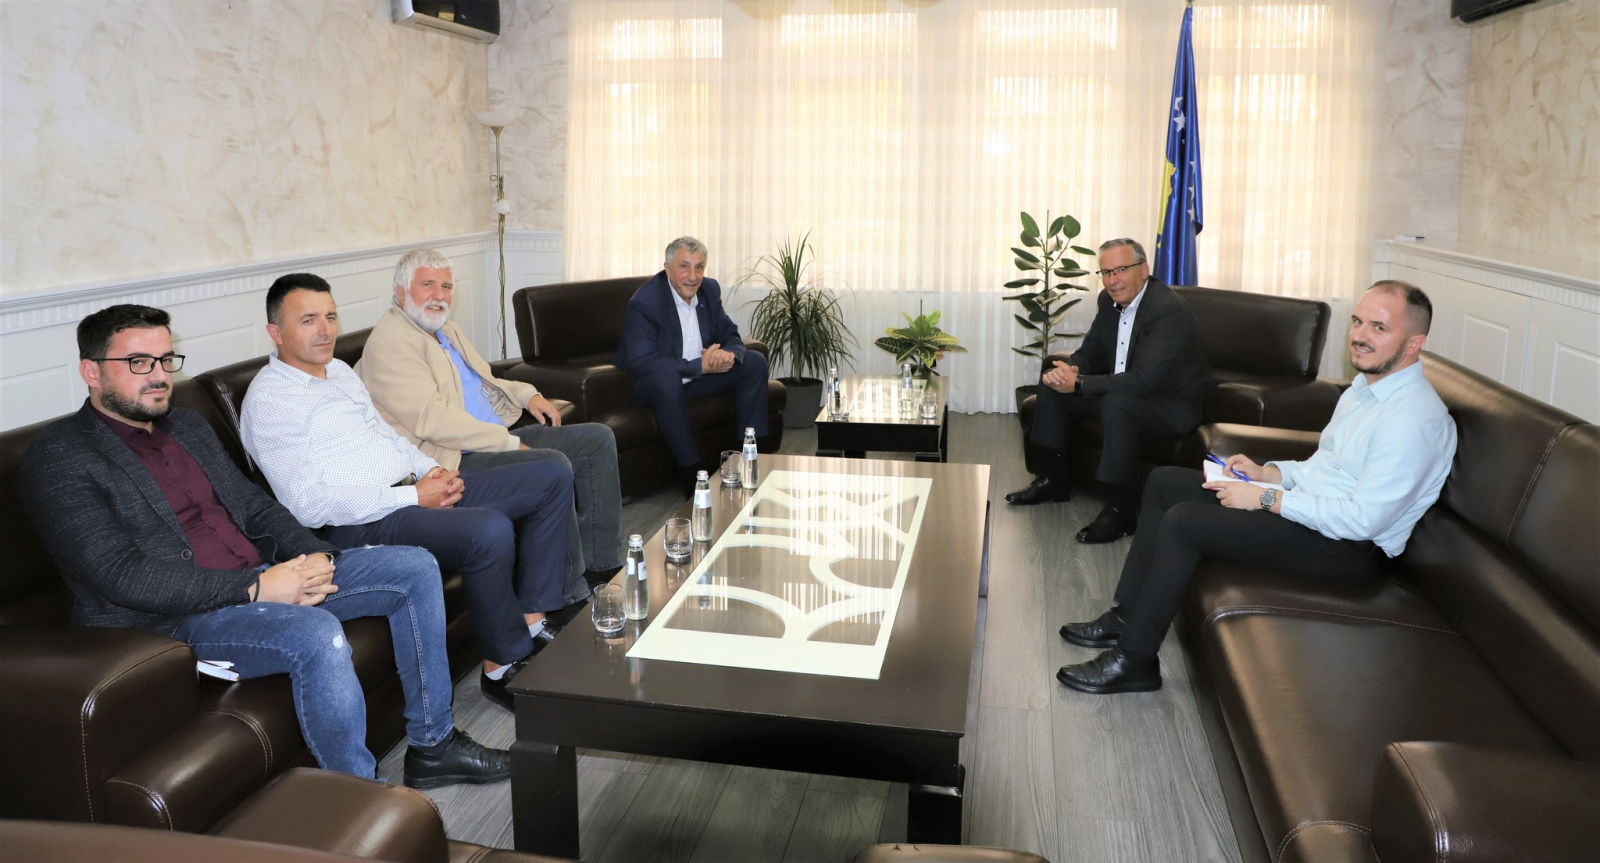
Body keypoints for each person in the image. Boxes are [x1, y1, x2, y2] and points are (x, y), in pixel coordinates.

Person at [17, 304, 509, 787]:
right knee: (315, 633)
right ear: (91, 371)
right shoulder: (59, 456)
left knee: (415, 568)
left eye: (166, 360)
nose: (159, 375)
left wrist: (314, 555)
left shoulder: (186, 427)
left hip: (264, 575)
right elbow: (121, 575)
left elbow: (253, 506)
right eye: (139, 362)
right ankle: (359, 797)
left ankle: (434, 747)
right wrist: (256, 589)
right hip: (173, 622)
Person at [1056, 281, 1457, 694]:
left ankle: (1135, 660)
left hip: (1347, 547)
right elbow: (1324, 469)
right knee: (1164, 482)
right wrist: (1268, 473)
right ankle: (1128, 615)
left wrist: (1265, 499)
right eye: (1357, 321)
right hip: (1316, 514)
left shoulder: (1412, 420)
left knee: (1185, 522)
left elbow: (1363, 520)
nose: (1359, 335)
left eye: (1378, 327)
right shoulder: (1363, 390)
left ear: (1414, 343)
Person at [239, 274, 572, 712]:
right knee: (488, 530)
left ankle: (533, 618)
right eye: (308, 320)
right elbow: (307, 505)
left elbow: (387, 437)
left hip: (411, 489)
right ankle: (501, 667)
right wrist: (414, 498)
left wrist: (430, 470)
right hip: (359, 523)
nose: (324, 330)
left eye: (330, 317)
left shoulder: (339, 372)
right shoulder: (269, 401)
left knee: (551, 471)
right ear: (275, 332)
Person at [358, 249, 623, 594]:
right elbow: (434, 422)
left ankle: (603, 567)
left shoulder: (445, 330)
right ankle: (567, 590)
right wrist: (509, 444)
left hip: (492, 435)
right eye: (428, 285)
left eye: (446, 286)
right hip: (453, 457)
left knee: (597, 439)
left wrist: (527, 394)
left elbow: (486, 379)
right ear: (401, 291)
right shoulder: (392, 342)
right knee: (552, 464)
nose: (439, 295)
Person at [1006, 238, 1213, 544]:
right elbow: (1091, 351)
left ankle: (1121, 511)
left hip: (1167, 406)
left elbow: (1143, 380)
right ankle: (1054, 481)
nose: (1113, 280)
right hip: (1124, 393)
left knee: (1117, 403)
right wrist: (1071, 370)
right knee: (1052, 383)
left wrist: (1079, 383)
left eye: (1121, 270)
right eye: (1105, 272)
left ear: (1143, 269)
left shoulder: (1168, 310)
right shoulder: (1108, 301)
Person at [614, 236, 770, 496]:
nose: (693, 276)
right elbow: (643, 362)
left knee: (754, 362)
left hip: (698, 378)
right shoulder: (645, 302)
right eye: (684, 267)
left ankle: (749, 457)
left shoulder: (709, 290)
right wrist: (700, 367)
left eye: (699, 267)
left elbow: (730, 333)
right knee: (667, 380)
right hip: (655, 384)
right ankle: (693, 477)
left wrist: (728, 355)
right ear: (667, 268)